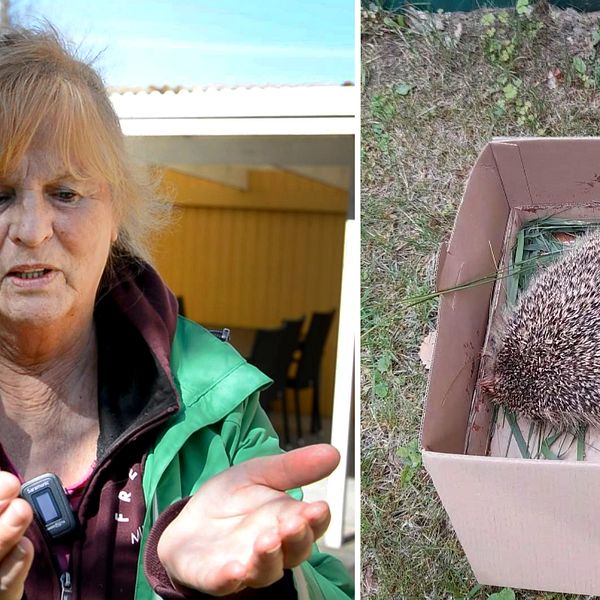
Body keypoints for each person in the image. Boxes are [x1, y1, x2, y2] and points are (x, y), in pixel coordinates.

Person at [0, 25, 354, 600]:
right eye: (0, 194)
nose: (33, 230)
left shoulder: (218, 407)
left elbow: (327, 585)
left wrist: (258, 587)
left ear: (116, 214)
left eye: (66, 193)